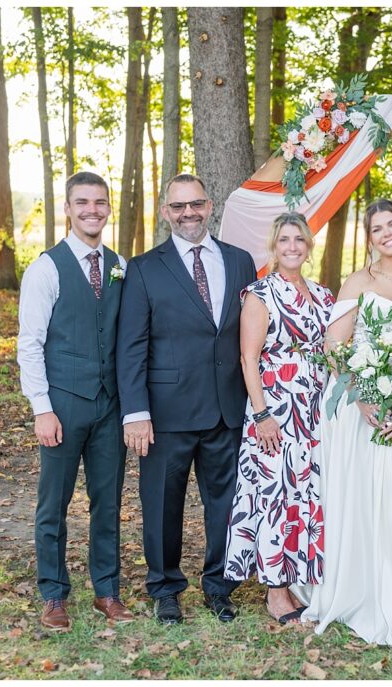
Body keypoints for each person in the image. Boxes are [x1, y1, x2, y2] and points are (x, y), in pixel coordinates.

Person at [295, 198, 392, 648]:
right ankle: (355, 587)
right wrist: (362, 396)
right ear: (369, 239)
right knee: (360, 496)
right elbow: (334, 346)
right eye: (378, 228)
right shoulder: (358, 282)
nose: (388, 233)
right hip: (357, 408)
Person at [116, 173, 257, 625]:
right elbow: (132, 345)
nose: (188, 213)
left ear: (209, 205)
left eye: (195, 204)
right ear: (165, 212)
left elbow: (251, 337)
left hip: (226, 408)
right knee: (162, 505)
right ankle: (165, 589)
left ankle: (219, 586)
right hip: (165, 412)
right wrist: (135, 412)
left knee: (226, 504)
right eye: (178, 207)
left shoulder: (240, 262)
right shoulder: (143, 268)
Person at [17, 171, 134, 631]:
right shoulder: (46, 267)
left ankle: (107, 591)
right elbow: (30, 343)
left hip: (110, 406)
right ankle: (53, 595)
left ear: (108, 208)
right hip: (63, 405)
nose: (92, 210)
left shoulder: (119, 265)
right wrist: (41, 408)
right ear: (67, 208)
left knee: (107, 503)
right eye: (82, 202)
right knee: (54, 504)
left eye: (100, 203)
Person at [223, 213, 334, 624]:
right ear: (274, 245)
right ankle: (276, 591)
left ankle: (302, 577)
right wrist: (262, 414)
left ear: (308, 245)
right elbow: (248, 359)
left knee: (306, 495)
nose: (292, 246)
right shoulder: (260, 293)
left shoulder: (324, 295)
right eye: (284, 239)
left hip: (314, 411)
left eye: (299, 239)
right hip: (274, 410)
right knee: (273, 497)